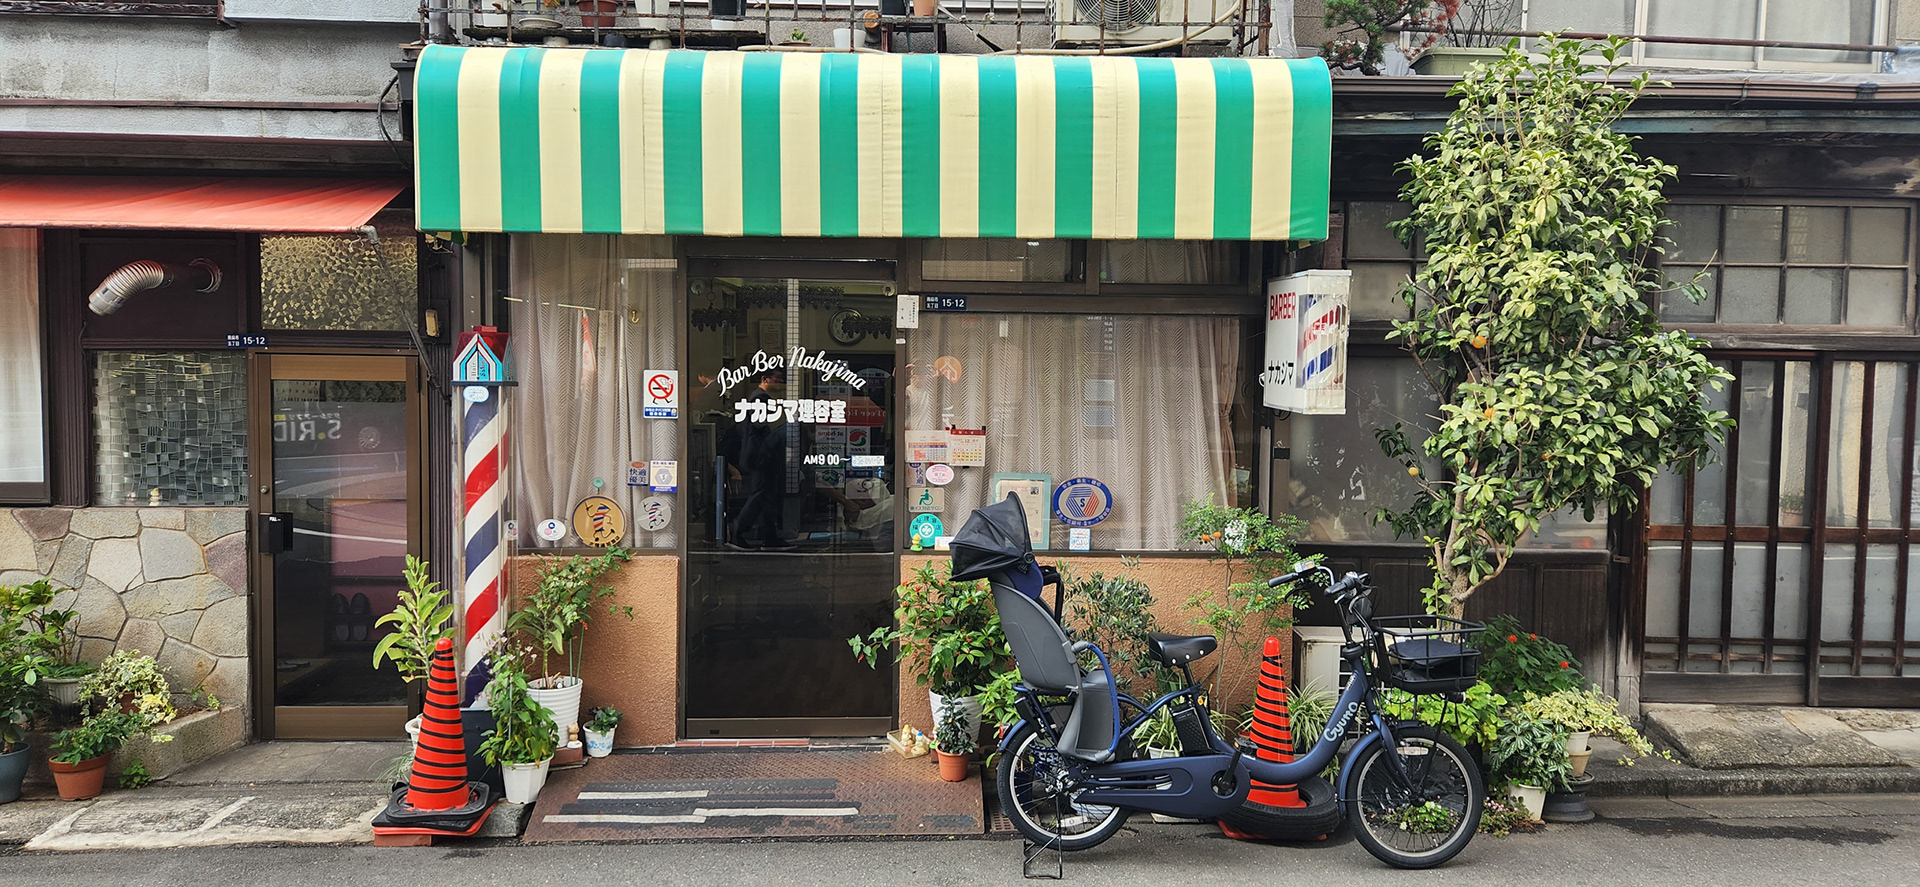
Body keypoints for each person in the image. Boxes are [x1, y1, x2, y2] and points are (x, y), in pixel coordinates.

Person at [722, 369, 789, 549]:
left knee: (765, 495)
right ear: (765, 379)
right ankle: (739, 531)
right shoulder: (761, 399)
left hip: (759, 454)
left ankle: (769, 536)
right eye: (777, 379)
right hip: (762, 455)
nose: (780, 383)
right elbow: (759, 426)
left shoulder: (756, 397)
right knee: (761, 494)